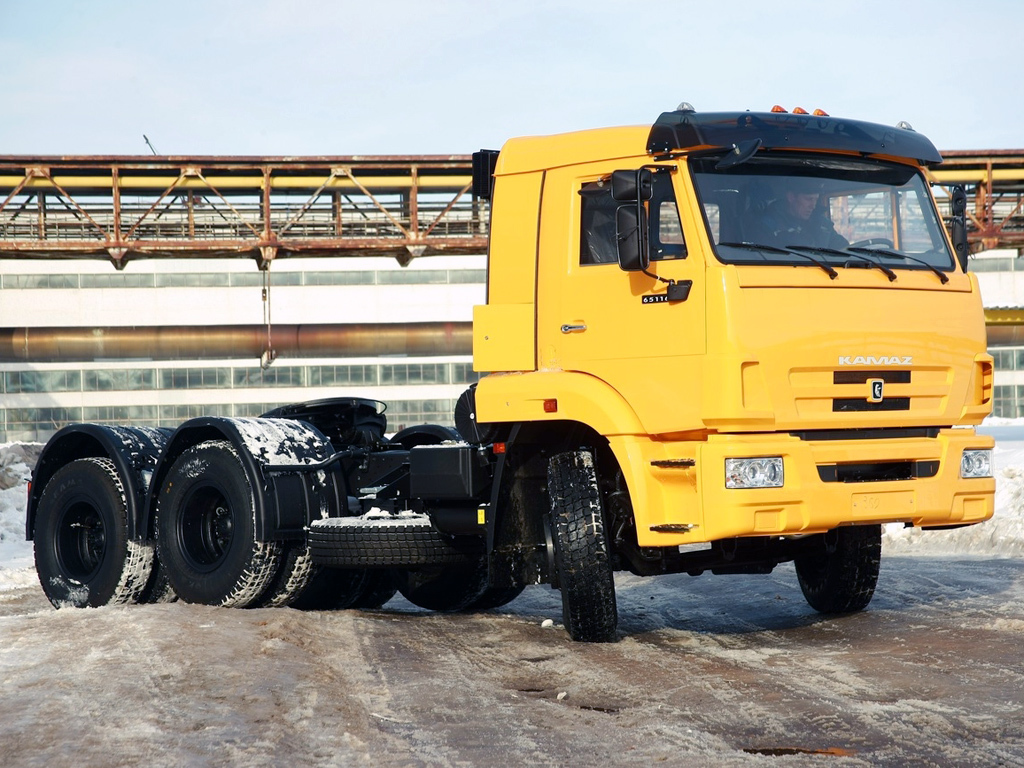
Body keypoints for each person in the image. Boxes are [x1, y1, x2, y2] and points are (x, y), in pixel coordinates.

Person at [757, 179, 848, 250]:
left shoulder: (823, 225)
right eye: (808, 199)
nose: (813, 206)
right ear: (791, 197)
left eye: (815, 200)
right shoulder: (769, 225)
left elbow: (843, 249)